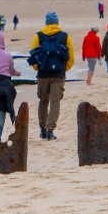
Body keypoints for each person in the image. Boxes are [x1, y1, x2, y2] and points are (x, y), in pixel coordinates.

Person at [28, 11, 75, 140]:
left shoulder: (38, 36)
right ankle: (50, 130)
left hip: (43, 74)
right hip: (58, 75)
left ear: (46, 22)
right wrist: (65, 68)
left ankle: (42, 130)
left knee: (43, 101)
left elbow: (33, 56)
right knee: (55, 102)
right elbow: (71, 57)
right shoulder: (65, 36)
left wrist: (38, 67)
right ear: (57, 22)